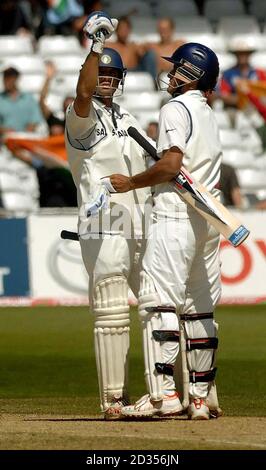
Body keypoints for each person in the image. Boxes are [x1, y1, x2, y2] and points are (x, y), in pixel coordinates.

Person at [109, 42, 223, 420]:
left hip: (175, 214)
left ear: (189, 75)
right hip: (208, 218)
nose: (170, 75)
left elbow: (171, 165)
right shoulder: (207, 113)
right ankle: (201, 398)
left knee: (159, 303)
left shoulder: (175, 108)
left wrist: (132, 182)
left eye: (177, 70)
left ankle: (164, 396)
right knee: (199, 308)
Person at [64, 11, 152, 419]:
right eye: (101, 73)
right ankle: (113, 400)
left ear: (120, 81)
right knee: (112, 311)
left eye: (111, 75)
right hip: (102, 224)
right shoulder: (82, 119)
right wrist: (96, 49)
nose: (105, 80)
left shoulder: (128, 118)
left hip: (138, 222)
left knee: (157, 304)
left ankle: (163, 393)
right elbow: (83, 95)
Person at [218, 36, 266, 108]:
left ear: (250, 54)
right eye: (239, 53)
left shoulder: (259, 73)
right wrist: (243, 98)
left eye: (245, 53)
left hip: (257, 108)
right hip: (235, 109)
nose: (242, 56)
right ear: (235, 54)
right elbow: (224, 95)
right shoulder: (227, 74)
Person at [105, 16, 157, 80]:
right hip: (115, 73)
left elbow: (145, 55)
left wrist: (145, 49)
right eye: (121, 28)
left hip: (132, 74)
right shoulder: (109, 45)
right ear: (116, 30)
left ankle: (153, 82)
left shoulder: (134, 46)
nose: (123, 31)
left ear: (129, 30)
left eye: (126, 29)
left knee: (150, 55)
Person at [0, 67, 44, 138]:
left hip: (26, 142)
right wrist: (4, 130)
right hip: (4, 143)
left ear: (16, 79)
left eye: (9, 77)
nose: (6, 80)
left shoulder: (28, 99)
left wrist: (24, 134)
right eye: (5, 77)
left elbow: (35, 120)